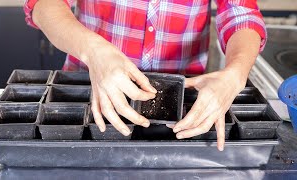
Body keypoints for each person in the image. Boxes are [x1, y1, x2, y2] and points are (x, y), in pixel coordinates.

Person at [24, 0, 266, 151]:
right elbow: (44, 4)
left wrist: (236, 73)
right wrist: (93, 50)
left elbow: (240, 12)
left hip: (182, 106)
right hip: (91, 91)